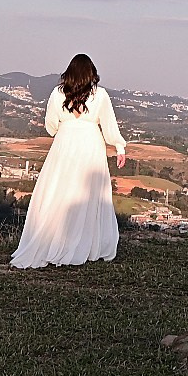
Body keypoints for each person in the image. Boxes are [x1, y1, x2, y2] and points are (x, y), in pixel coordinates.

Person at [11, 53, 125, 269]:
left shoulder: (57, 94)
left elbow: (51, 125)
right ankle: (87, 244)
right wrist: (119, 147)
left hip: (64, 143)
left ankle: (54, 239)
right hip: (91, 144)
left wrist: (65, 129)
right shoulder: (100, 95)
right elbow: (110, 126)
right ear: (91, 73)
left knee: (59, 190)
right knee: (88, 193)